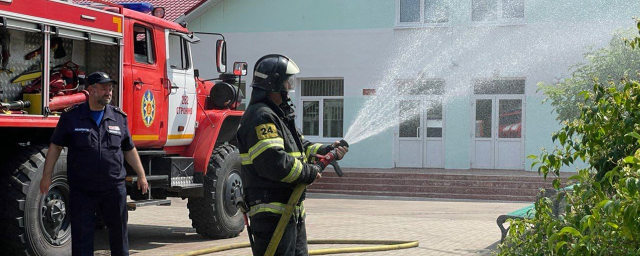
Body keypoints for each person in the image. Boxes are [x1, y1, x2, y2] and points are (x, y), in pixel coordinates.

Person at [237, 54, 348, 256]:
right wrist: (309, 172)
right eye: (287, 82)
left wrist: (325, 150)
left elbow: (300, 146)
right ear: (274, 84)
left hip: (290, 211)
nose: (289, 87)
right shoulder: (262, 117)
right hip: (272, 213)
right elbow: (274, 162)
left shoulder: (278, 115)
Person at [39, 71, 149, 256]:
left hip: (113, 187)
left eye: (111, 88)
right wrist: (47, 175)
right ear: (91, 90)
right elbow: (56, 146)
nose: (109, 92)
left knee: (119, 234)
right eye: (104, 88)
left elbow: (129, 149)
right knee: (82, 237)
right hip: (83, 189)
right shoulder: (71, 117)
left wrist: (142, 175)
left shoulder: (119, 117)